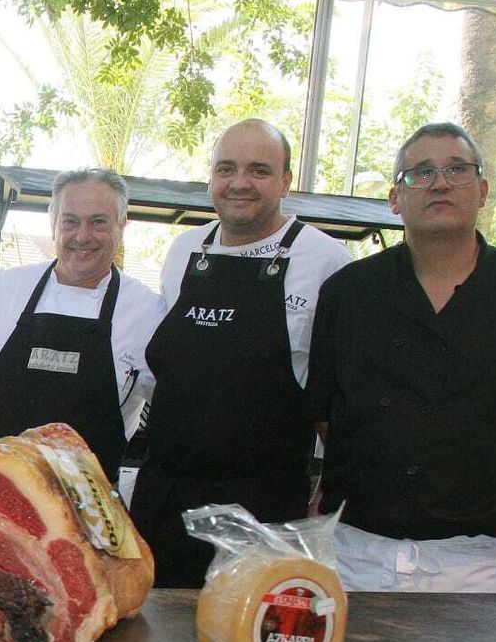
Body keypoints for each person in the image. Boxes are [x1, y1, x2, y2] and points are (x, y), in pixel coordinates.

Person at [306, 122, 496, 592]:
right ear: (395, 199)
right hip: (354, 554)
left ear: (483, 190)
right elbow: (325, 415)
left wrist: (493, 485)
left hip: (475, 563)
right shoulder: (347, 294)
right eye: (421, 172)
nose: (439, 183)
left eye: (457, 169)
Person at [130, 118, 352, 588]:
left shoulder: (326, 259)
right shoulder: (185, 249)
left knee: (244, 629)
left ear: (286, 181)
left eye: (259, 170)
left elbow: (339, 396)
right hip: (166, 501)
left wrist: (330, 488)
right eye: (226, 169)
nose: (240, 183)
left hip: (264, 510)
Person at [0, 167, 163, 484]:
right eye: (70, 221)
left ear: (122, 225)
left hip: (87, 507)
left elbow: (177, 407)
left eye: (98, 222)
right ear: (53, 225)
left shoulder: (147, 313)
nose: (82, 236)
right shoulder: (5, 291)